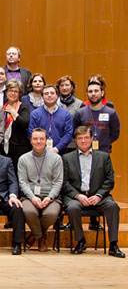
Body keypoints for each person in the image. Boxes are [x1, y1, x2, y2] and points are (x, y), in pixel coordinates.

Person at [62, 126, 124, 257]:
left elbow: (109, 180)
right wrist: (77, 196)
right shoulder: (67, 158)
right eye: (80, 138)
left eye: (86, 138)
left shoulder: (103, 157)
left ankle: (113, 245)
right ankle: (80, 241)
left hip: (98, 196)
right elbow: (64, 182)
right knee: (72, 207)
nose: (83, 141)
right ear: (75, 141)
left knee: (113, 206)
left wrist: (99, 195)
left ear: (91, 139)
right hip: (77, 196)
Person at [17, 129, 63, 252]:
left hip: (51, 197)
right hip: (29, 197)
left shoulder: (56, 159)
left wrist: (49, 198)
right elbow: (23, 182)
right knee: (28, 211)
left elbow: (58, 182)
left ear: (46, 141)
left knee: (51, 214)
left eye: (41, 139)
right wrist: (32, 197)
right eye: (35, 139)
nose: (38, 141)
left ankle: (33, 236)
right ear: (31, 141)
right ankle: (41, 237)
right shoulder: (23, 159)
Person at [72, 80, 120, 154]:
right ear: (87, 94)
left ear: (102, 93)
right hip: (84, 152)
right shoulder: (80, 113)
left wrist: (105, 142)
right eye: (90, 91)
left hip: (104, 152)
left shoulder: (111, 113)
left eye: (96, 91)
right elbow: (74, 132)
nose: (93, 94)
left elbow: (115, 134)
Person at [28, 85, 73, 154]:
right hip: (40, 152)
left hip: (60, 152)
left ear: (57, 96)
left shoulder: (66, 114)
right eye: (46, 93)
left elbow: (68, 134)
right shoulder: (35, 114)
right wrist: (41, 148)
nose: (49, 95)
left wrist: (57, 148)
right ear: (42, 97)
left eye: (52, 93)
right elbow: (31, 133)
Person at [1, 80, 32, 167]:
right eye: (10, 90)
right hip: (4, 148)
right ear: (6, 92)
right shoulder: (2, 107)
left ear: (19, 94)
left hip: (20, 148)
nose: (13, 93)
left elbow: (24, 124)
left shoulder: (23, 107)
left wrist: (13, 112)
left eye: (16, 91)